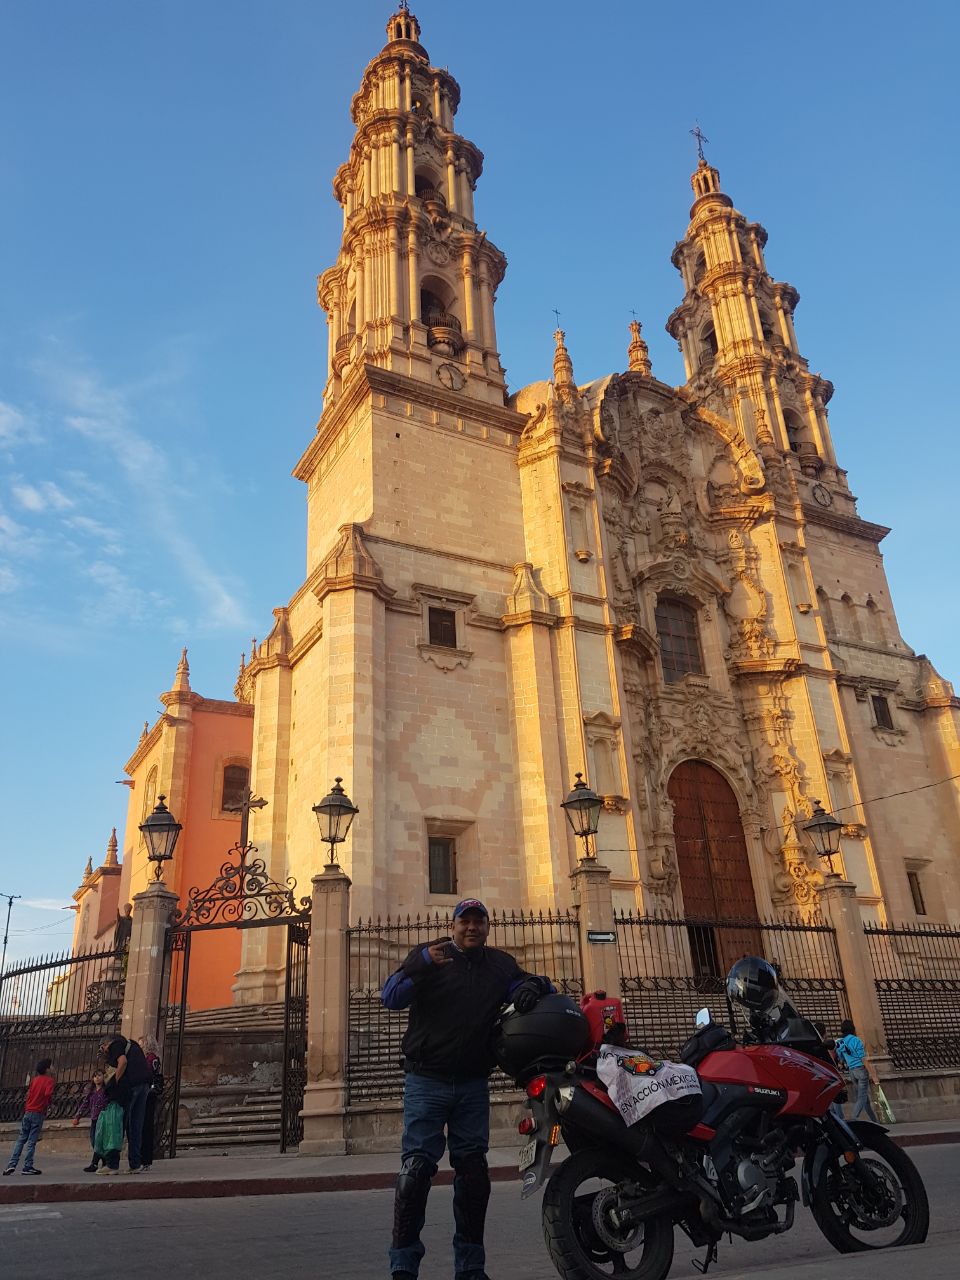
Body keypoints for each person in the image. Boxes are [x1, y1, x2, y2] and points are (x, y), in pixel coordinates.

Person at [381, 898, 555, 1280]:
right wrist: (420, 964)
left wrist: (531, 986)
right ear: (454, 924)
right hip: (426, 1079)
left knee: (474, 1175)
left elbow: (540, 984)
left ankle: (471, 1268)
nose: (471, 928)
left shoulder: (499, 965)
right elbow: (390, 996)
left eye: (479, 921)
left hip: (473, 1083)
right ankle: (403, 1265)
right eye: (465, 921)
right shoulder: (432, 955)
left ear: (488, 927)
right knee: (415, 1172)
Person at [99, 1033, 154, 1171]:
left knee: (119, 1123)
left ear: (106, 1044)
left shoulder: (115, 1044)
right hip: (144, 1085)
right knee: (136, 1125)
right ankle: (135, 1164)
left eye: (103, 1048)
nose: (105, 1051)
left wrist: (115, 1081)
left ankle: (112, 1165)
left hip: (131, 1087)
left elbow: (123, 1062)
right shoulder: (133, 1045)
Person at [3, 1058, 55, 1175]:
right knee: (32, 1141)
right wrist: (49, 1106)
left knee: (21, 1139)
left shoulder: (34, 1080)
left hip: (28, 1111)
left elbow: (29, 1095)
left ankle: (12, 1164)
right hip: (38, 1112)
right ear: (47, 1069)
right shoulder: (49, 1081)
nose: (53, 1068)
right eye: (51, 1066)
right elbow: (47, 1094)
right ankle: (28, 1166)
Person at [835, 1018, 878, 1122]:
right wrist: (874, 1075)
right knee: (862, 1097)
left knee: (865, 1098)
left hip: (852, 1072)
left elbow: (841, 1059)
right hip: (861, 1070)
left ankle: (875, 1121)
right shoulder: (856, 1040)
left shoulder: (840, 1043)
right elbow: (863, 1059)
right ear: (852, 1029)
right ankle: (854, 1118)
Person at [72, 1069, 109, 1172]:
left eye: (99, 1075)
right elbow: (85, 1104)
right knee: (94, 1141)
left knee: (98, 1141)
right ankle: (104, 1160)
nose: (97, 1078)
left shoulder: (105, 1091)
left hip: (102, 1119)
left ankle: (94, 1163)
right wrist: (77, 1116)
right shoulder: (92, 1092)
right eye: (95, 1076)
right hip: (94, 1119)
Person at [140, 1035, 164, 1170]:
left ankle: (144, 1158)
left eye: (141, 1044)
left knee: (145, 1126)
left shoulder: (149, 1059)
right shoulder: (155, 1058)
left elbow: (147, 1075)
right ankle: (146, 1159)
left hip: (147, 1094)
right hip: (151, 1094)